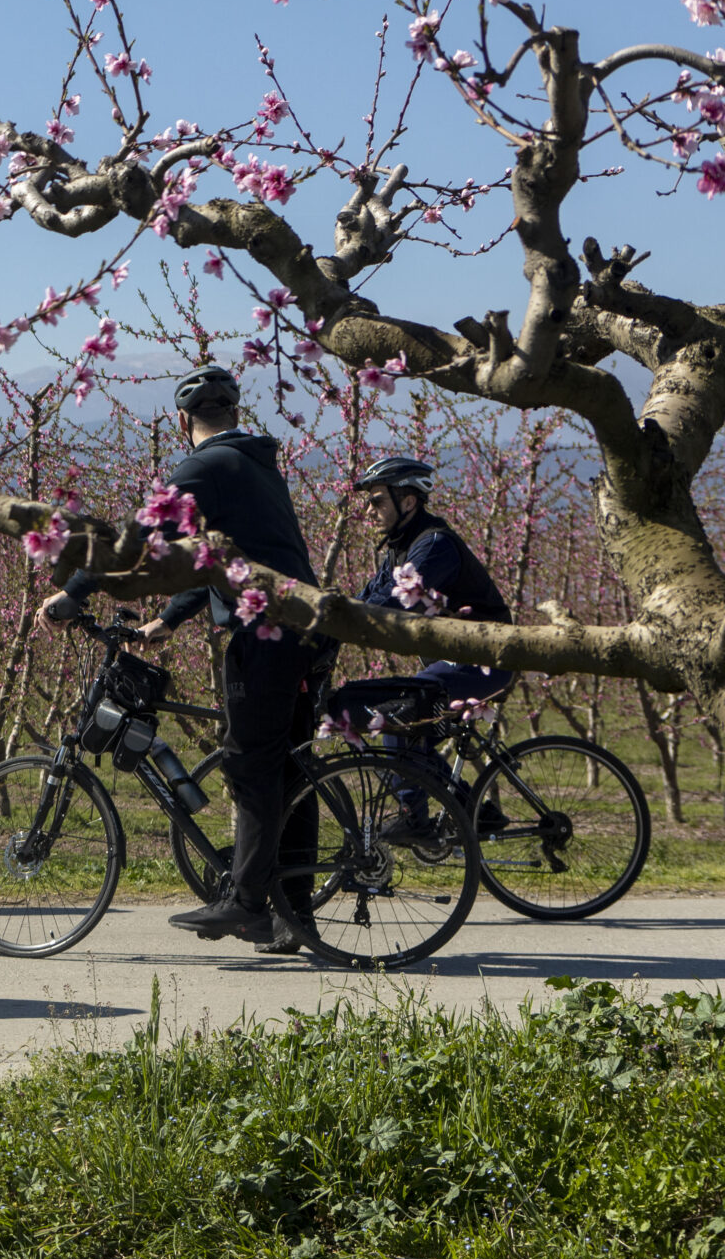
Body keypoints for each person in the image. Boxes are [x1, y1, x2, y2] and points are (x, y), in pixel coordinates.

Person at [38, 365, 332, 952]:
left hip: (267, 636)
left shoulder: (203, 467)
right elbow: (219, 559)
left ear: (181, 421)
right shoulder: (253, 466)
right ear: (234, 414)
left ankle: (248, 903)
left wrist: (73, 592)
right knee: (287, 772)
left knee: (251, 765)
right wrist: (169, 619)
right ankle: (291, 915)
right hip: (306, 629)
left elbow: (137, 538)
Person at [321, 455, 515, 841]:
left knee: (397, 712)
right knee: (405, 725)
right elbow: (366, 599)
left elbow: (393, 605)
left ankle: (414, 817)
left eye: (377, 501)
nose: (369, 510)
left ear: (407, 501)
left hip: (482, 661)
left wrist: (346, 619)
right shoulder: (399, 548)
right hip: (456, 663)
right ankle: (475, 811)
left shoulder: (434, 545)